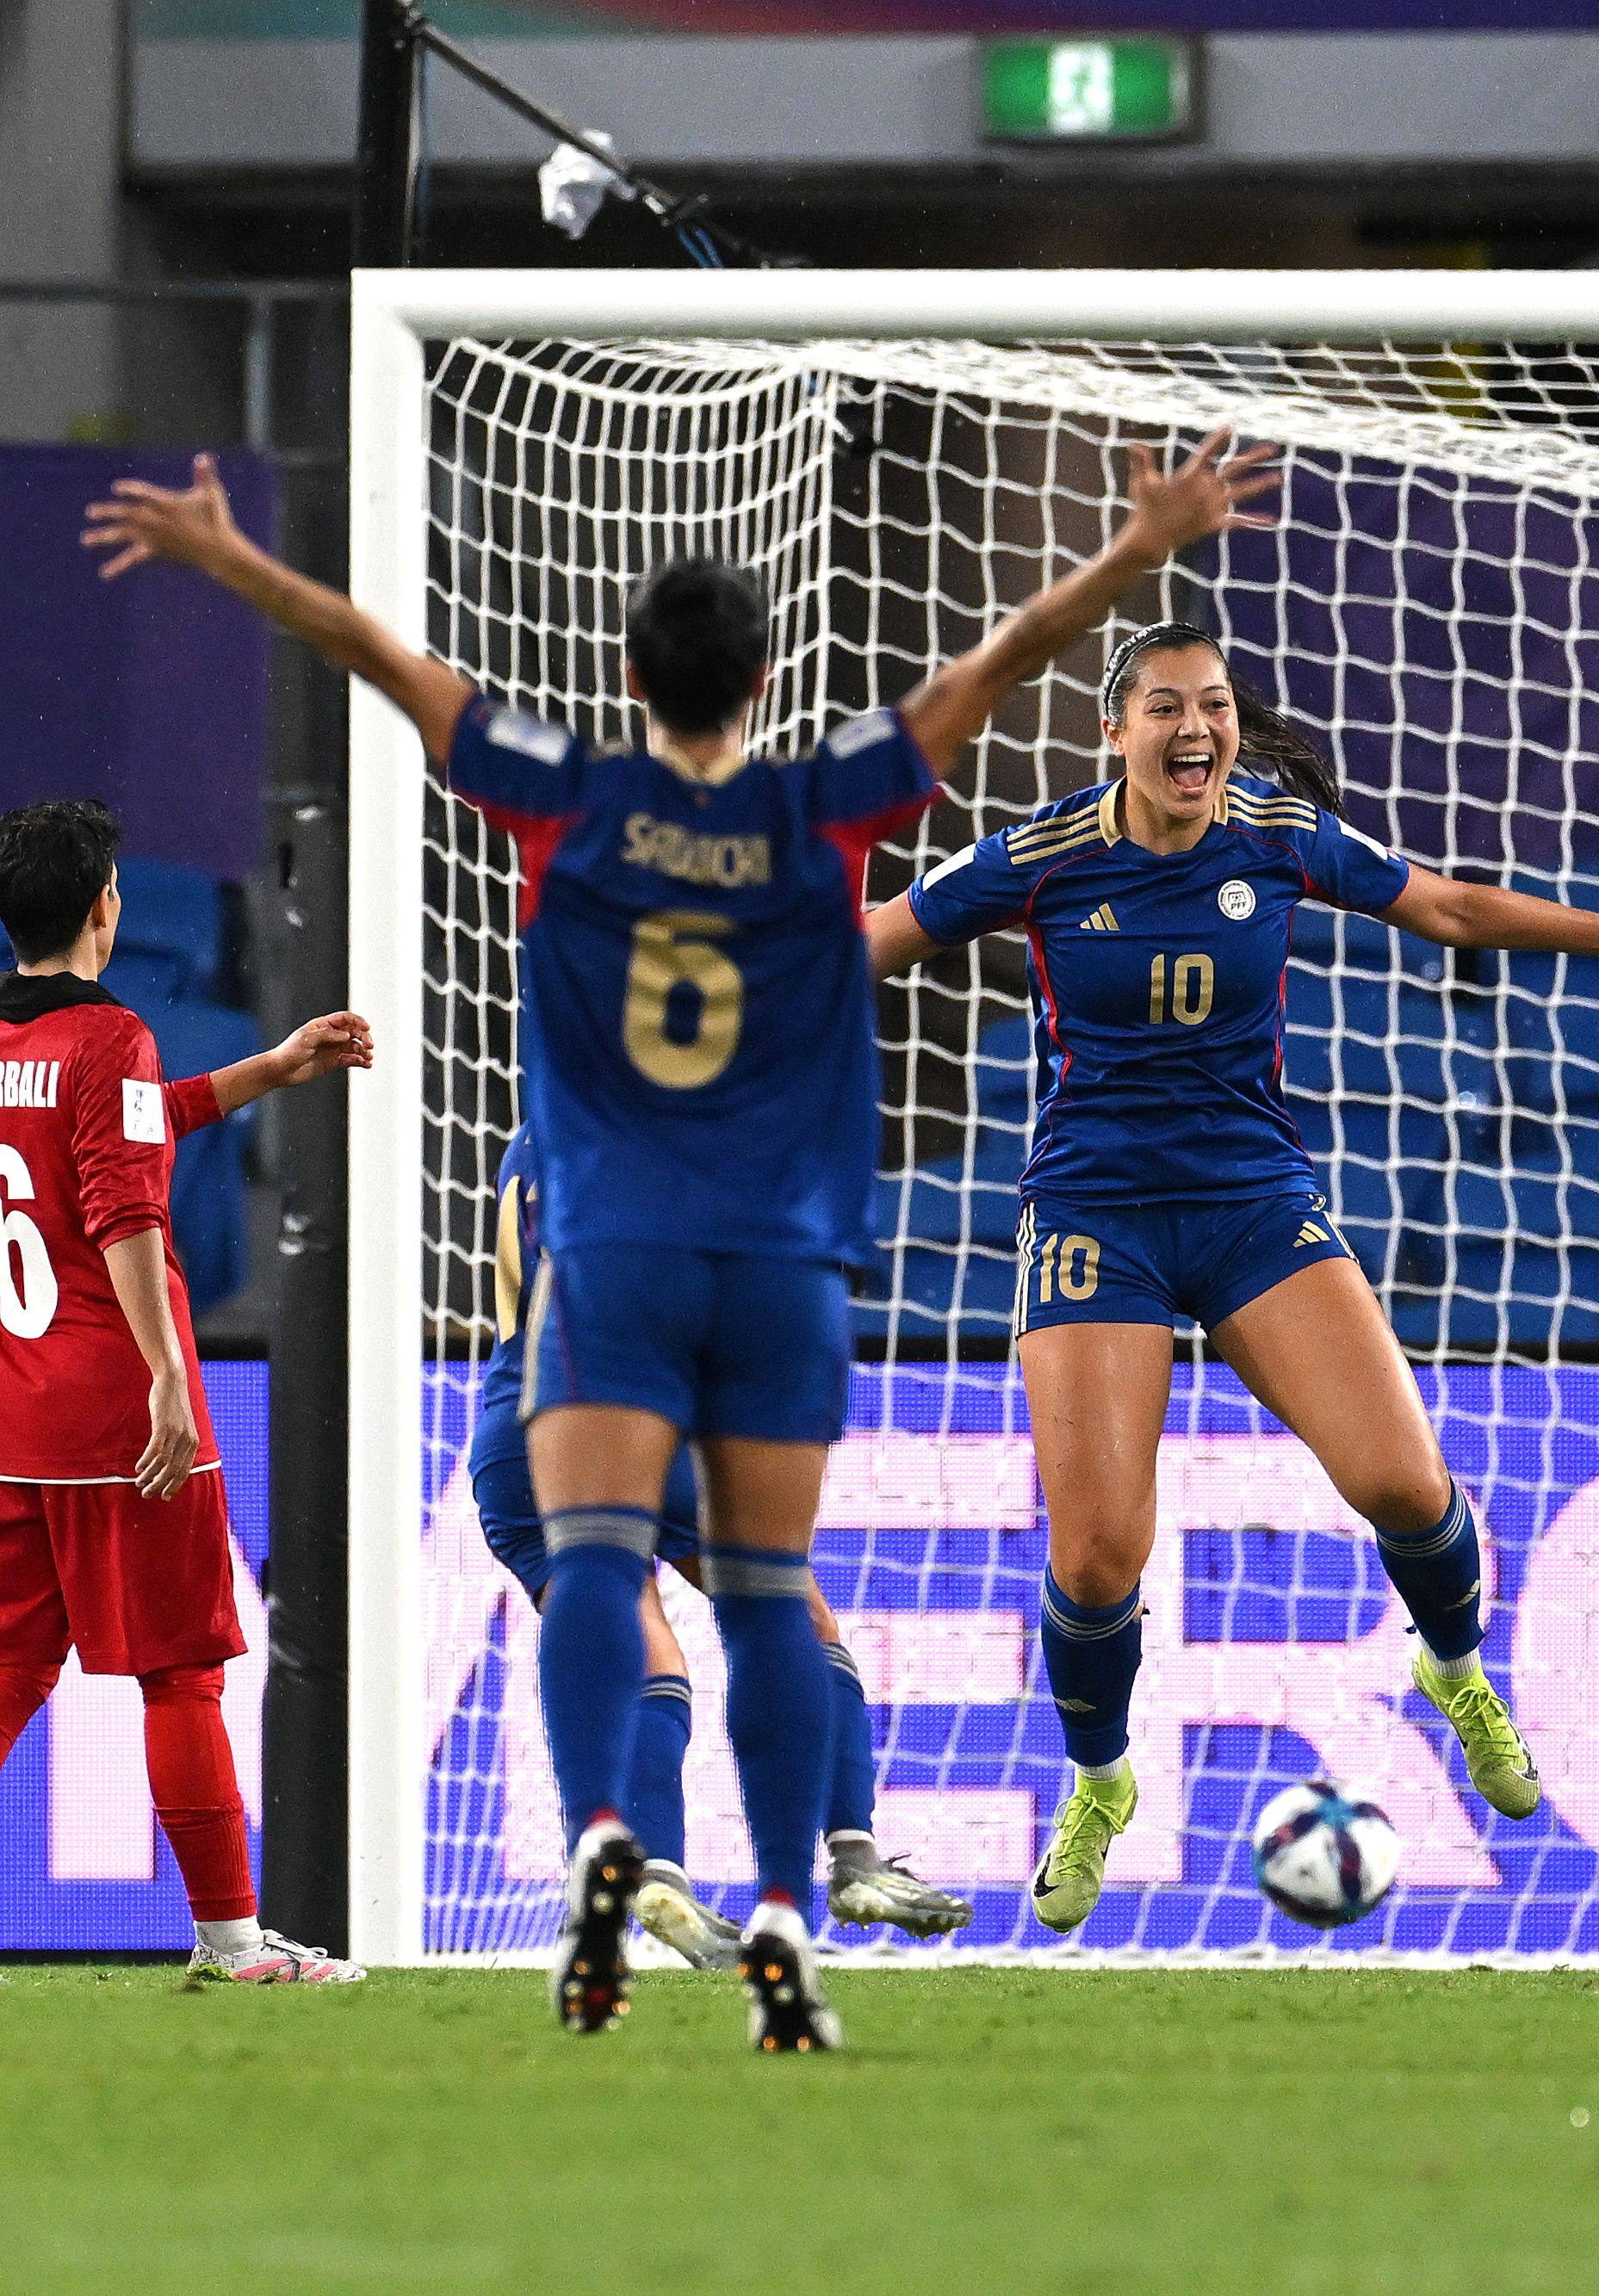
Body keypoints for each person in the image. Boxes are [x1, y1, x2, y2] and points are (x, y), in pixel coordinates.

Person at [90, 431, 1270, 2043]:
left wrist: (232, 560)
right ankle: (788, 1907)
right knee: (773, 1588)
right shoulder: (829, 802)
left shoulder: (565, 800)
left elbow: (386, 654)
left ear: (634, 676)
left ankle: (604, 1844)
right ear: (767, 678)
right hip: (779, 1260)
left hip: (614, 1250)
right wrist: (1133, 555)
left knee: (594, 1566)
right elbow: (1006, 660)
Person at [870, 618, 1599, 1936]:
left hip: (1249, 1201)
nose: (1195, 728)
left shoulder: (1276, 833)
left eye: (1212, 704)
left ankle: (1451, 1670)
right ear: (1113, 732)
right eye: (1164, 705)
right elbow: (868, 939)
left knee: (1402, 1479)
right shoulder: (1041, 855)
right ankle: (1101, 1781)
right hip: (1095, 1211)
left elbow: (1448, 906)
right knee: (1100, 1554)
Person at [0, 798, 372, 1983]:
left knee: (5, 1676)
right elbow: (124, 1206)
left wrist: (275, 1064)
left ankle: (234, 1937)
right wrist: (167, 1371)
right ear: (107, 905)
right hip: (122, 1420)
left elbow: (132, 1135)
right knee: (181, 1673)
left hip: (17, 1421)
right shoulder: (107, 1038)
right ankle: (231, 1941)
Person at [470, 1125, 972, 1959]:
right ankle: (853, 1855)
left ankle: (658, 1873)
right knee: (794, 1616)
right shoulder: (692, 1133)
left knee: (644, 1646)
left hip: (513, 1427)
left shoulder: (541, 1133)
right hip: (640, 1417)